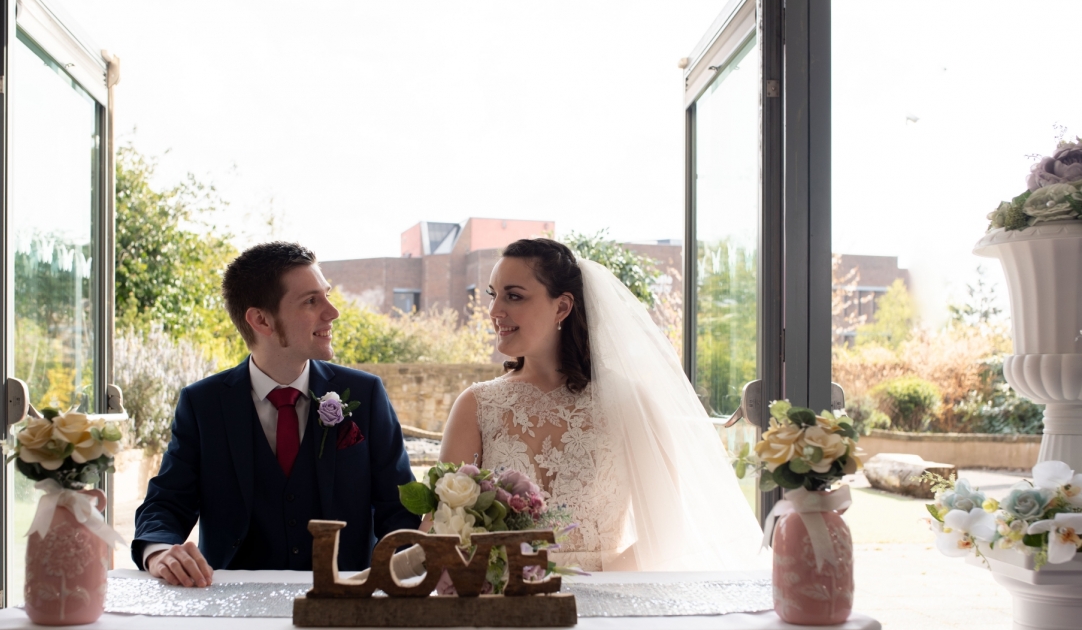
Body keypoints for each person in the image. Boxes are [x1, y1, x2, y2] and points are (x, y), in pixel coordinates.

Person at [439, 238, 764, 571]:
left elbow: (665, 530)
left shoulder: (629, 403)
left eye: (514, 296)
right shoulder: (476, 405)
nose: (494, 311)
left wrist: (592, 592)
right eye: (494, 295)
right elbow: (441, 526)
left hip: (607, 604)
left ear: (562, 307)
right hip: (504, 604)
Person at [133, 242, 419, 586]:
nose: (332, 312)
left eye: (326, 295)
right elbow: (166, 503)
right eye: (311, 301)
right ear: (261, 320)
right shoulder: (203, 404)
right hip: (232, 605)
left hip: (346, 601)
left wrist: (395, 583)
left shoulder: (365, 395)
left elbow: (400, 509)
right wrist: (160, 551)